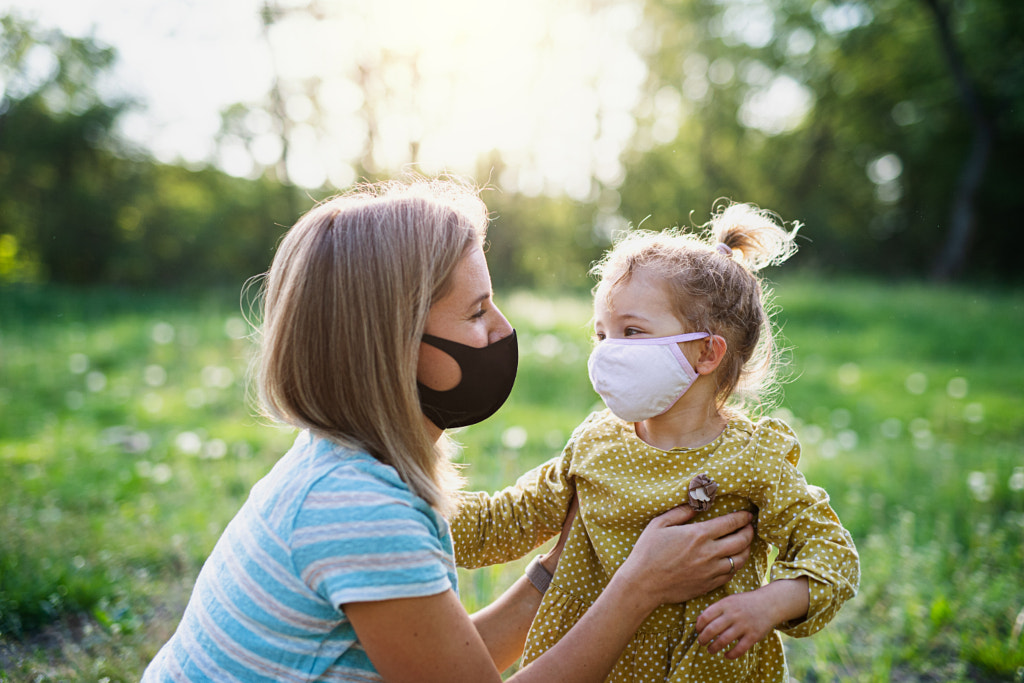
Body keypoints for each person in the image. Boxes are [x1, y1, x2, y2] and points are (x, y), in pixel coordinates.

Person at [140, 178, 756, 683]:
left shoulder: (350, 466)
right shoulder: (356, 509)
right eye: (476, 312)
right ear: (393, 344)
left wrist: (561, 563)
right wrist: (637, 587)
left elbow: (450, 665)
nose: (502, 330)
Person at [452, 202, 860, 682]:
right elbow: (508, 520)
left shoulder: (753, 458)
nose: (608, 352)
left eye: (632, 332)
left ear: (706, 352)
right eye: (601, 333)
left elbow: (832, 554)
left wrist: (768, 603)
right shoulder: (595, 444)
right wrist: (408, 506)